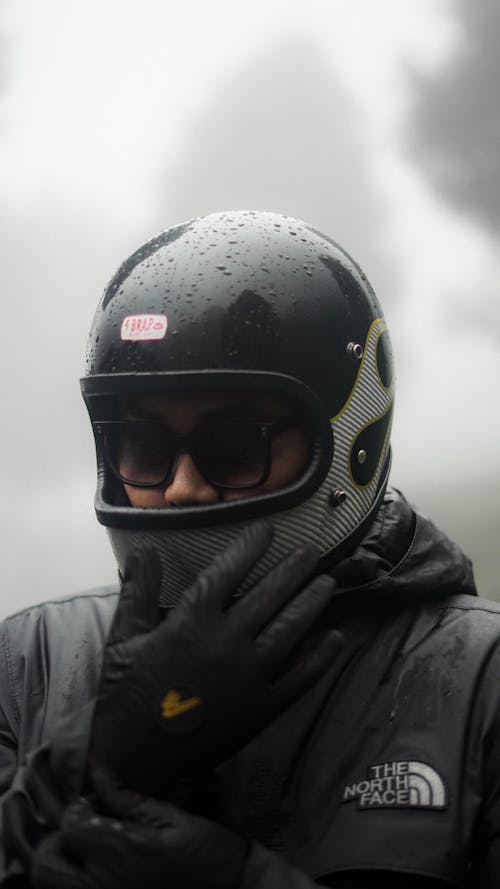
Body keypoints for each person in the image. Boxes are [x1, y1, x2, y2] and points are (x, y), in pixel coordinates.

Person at [1, 210, 499, 888]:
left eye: (237, 446)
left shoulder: (481, 682)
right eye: (144, 446)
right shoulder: (28, 660)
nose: (180, 489)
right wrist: (96, 757)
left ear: (352, 439)